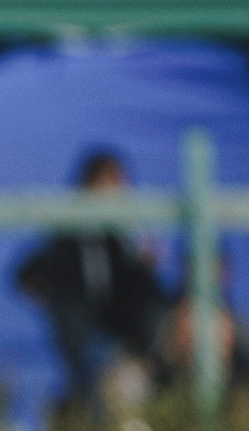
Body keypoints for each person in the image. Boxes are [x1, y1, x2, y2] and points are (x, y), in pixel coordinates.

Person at [14, 149, 170, 412]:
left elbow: (136, 289)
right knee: (107, 382)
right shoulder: (67, 233)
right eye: (112, 184)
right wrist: (60, 310)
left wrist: (145, 267)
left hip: (124, 334)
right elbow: (27, 276)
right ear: (91, 185)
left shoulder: (122, 238)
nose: (120, 193)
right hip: (87, 336)